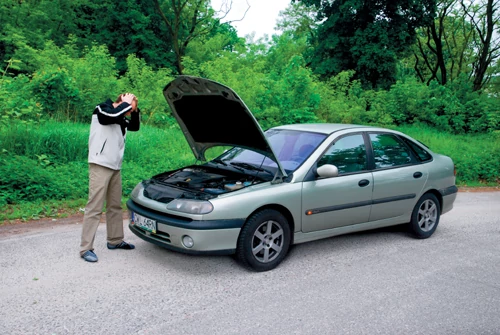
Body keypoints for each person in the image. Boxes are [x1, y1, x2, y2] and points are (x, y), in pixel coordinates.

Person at [80, 93, 140, 262]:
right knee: (95, 206)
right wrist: (127, 103)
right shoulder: (102, 109)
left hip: (115, 166)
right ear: (120, 102)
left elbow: (134, 126)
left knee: (114, 206)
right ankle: (86, 249)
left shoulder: (121, 117)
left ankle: (115, 240)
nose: (128, 113)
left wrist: (135, 112)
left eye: (131, 111)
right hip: (100, 164)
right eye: (129, 109)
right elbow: (109, 117)